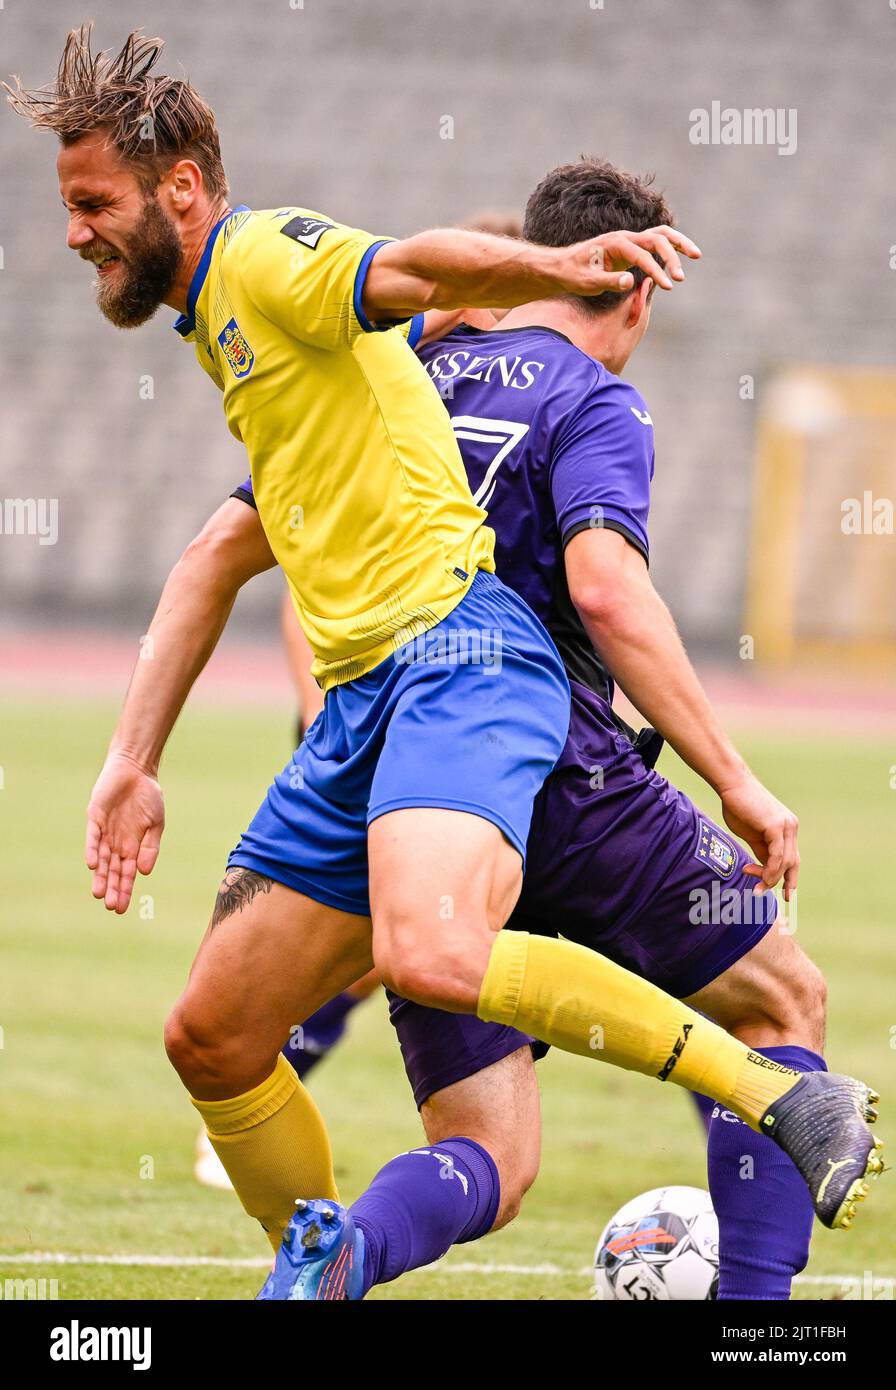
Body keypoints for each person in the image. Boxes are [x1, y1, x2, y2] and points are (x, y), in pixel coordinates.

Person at [10, 29, 880, 1300]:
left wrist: (540, 262)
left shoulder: (266, 256)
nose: (75, 231)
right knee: (213, 1036)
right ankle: (322, 1261)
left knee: (428, 955)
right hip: (380, 710)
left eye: (91, 203)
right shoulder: (233, 329)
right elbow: (215, 553)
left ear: (180, 188)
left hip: (466, 665)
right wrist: (130, 765)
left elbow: (409, 264)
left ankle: (769, 1098)